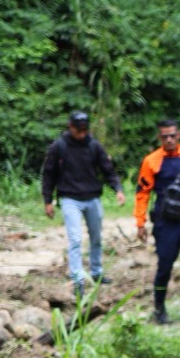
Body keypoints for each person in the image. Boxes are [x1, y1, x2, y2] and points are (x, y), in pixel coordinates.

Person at [42, 111, 125, 298]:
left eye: (84, 130)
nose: (82, 134)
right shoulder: (59, 147)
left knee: (96, 237)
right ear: (70, 127)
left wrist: (118, 189)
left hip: (92, 197)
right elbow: (49, 174)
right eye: (78, 130)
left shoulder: (94, 145)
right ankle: (77, 278)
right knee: (75, 240)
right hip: (69, 198)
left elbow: (107, 169)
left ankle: (96, 272)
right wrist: (47, 200)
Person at [133, 120, 180, 324]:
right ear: (159, 138)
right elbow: (142, 193)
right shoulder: (151, 161)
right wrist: (140, 222)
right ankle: (159, 310)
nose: (169, 140)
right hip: (165, 224)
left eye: (173, 135)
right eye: (165, 136)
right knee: (164, 268)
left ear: (179, 135)